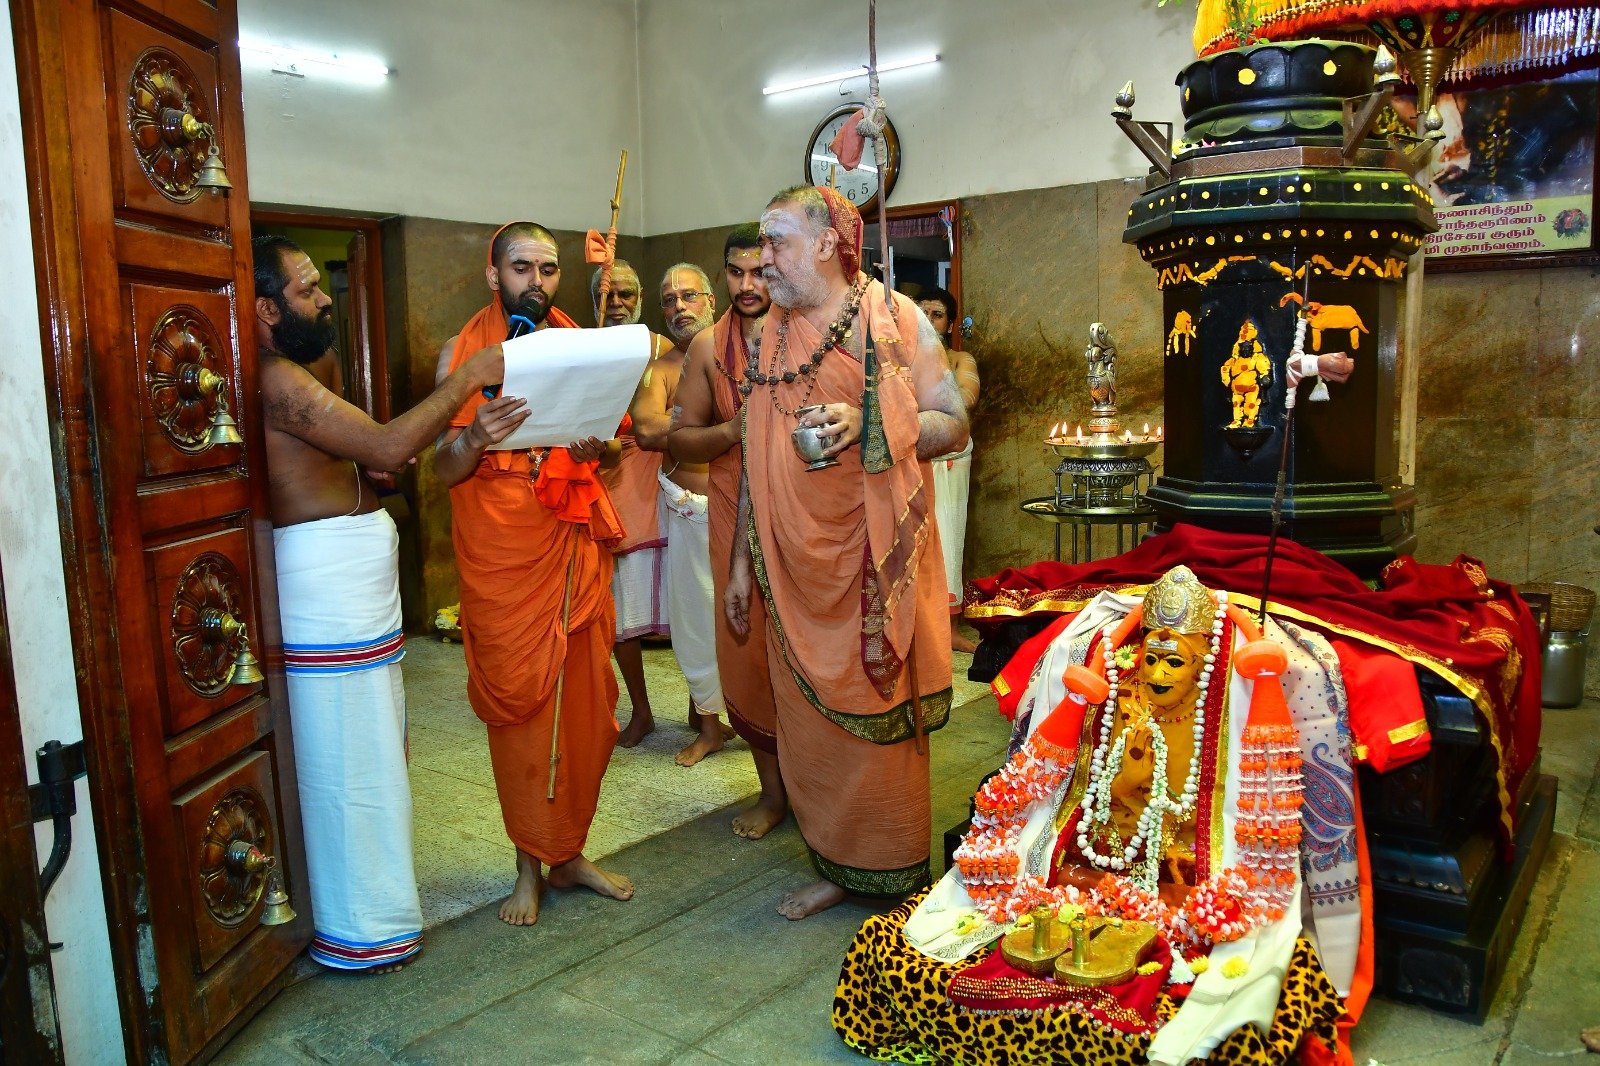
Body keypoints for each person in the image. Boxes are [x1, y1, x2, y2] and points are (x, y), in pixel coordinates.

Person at [254, 234, 504, 971]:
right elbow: (390, 445)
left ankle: (375, 917)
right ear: (266, 308)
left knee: (374, 749)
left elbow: (364, 459)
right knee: (345, 759)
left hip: (349, 586)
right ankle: (357, 929)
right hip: (324, 592)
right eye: (306, 290)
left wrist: (365, 482)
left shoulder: (302, 367)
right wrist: (468, 378)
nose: (323, 298)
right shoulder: (273, 378)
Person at [726, 186, 969, 918]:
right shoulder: (768, 334)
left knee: (876, 718)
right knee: (808, 726)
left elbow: (953, 424)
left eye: (777, 243)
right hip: (788, 566)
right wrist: (740, 563)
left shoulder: (893, 318)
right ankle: (835, 860)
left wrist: (873, 420)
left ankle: (891, 865)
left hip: (871, 562)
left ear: (829, 242)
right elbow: (753, 455)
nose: (763, 260)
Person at [432, 221, 633, 927]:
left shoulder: (577, 343)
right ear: (495, 275)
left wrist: (599, 452)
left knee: (585, 710)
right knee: (523, 713)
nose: (537, 282)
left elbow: (614, 450)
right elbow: (443, 467)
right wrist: (474, 437)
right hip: (504, 555)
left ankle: (568, 854)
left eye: (548, 269)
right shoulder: (462, 355)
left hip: (569, 544)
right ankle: (527, 865)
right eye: (522, 267)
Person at [669, 224, 789, 835]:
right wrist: (734, 429)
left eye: (759, 272)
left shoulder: (808, 330)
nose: (748, 285)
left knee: (807, 652)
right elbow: (680, 438)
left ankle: (816, 789)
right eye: (736, 273)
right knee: (748, 653)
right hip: (728, 508)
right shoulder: (706, 348)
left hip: (800, 509)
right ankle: (772, 794)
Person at [624, 264, 728, 766]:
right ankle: (708, 725)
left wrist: (685, 421)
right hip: (689, 511)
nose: (678, 307)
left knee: (748, 618)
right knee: (696, 619)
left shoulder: (741, 355)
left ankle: (754, 718)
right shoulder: (661, 369)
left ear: (712, 300)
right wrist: (711, 420)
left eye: (689, 296)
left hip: (745, 506)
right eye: (669, 300)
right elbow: (646, 430)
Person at [592, 259, 676, 747]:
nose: (618, 303)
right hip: (616, 485)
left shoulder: (663, 348)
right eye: (609, 295)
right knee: (624, 610)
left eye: (627, 294)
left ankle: (702, 710)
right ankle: (641, 712)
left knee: (686, 599)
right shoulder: (585, 353)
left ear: (641, 298)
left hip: (668, 481)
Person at [915, 286, 980, 653]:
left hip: (950, 459)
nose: (927, 320)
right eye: (921, 312)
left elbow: (967, 397)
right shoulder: (900, 358)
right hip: (913, 455)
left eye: (936, 314)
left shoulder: (959, 360)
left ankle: (950, 629)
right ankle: (918, 630)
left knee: (948, 541)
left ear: (950, 324)